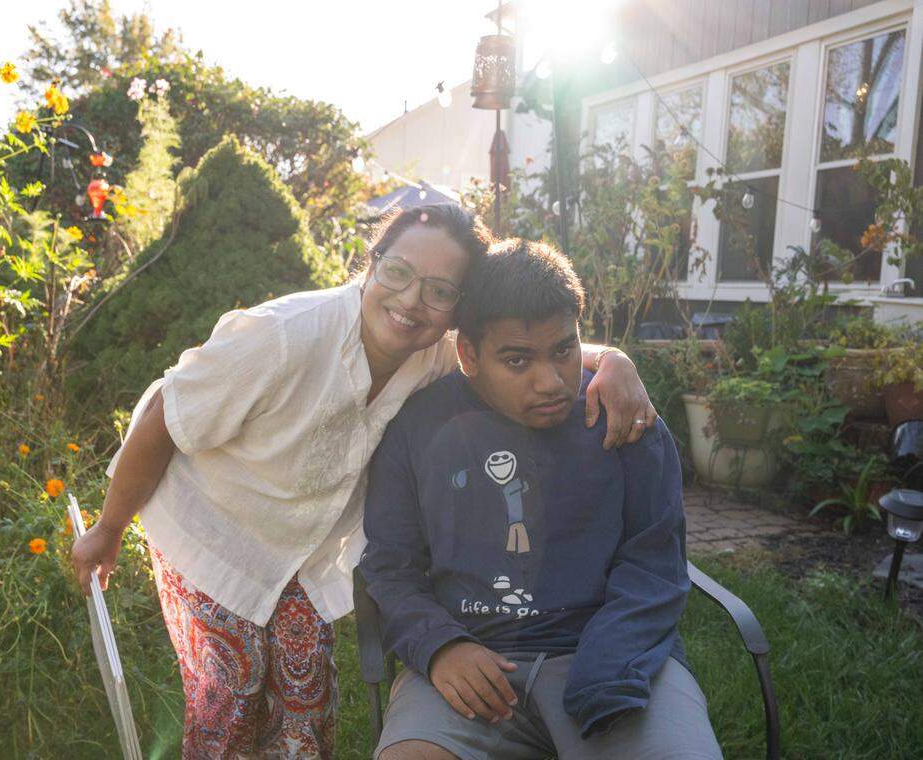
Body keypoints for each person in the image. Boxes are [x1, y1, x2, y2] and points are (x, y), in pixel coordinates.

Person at [70, 205, 658, 759]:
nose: (411, 301)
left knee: (305, 705)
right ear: (371, 262)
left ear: (458, 310)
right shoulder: (284, 334)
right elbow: (165, 416)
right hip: (211, 529)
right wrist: (109, 527)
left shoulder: (435, 353)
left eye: (440, 291)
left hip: (298, 552)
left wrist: (614, 360)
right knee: (231, 692)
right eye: (397, 272)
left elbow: (524, 345)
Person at [361, 239, 721, 760]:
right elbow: (390, 567)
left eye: (564, 351)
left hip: (612, 657)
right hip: (468, 661)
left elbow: (656, 561)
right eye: (517, 360)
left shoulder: (623, 417)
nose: (550, 382)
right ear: (468, 355)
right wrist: (440, 646)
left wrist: (608, 670)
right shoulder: (417, 429)